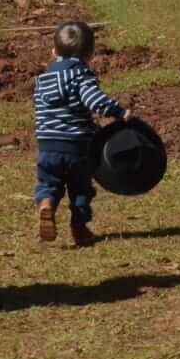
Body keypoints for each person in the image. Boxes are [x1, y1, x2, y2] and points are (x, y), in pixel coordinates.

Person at [33, 20, 131, 247]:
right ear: (90, 53)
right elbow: (93, 100)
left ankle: (46, 203)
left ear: (54, 50)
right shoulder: (81, 75)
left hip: (47, 146)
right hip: (77, 147)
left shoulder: (41, 80)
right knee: (80, 190)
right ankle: (79, 228)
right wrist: (118, 112)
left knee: (49, 182)